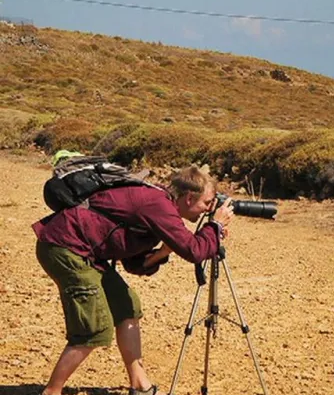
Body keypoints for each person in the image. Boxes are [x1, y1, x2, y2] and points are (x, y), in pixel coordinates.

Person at [32, 165, 234, 395]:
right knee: (93, 327)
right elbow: (195, 251)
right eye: (207, 203)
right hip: (66, 247)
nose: (209, 209)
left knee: (127, 308)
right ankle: (52, 391)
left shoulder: (159, 203)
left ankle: (139, 384)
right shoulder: (158, 205)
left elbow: (133, 264)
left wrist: (162, 252)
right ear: (189, 198)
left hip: (84, 252)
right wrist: (215, 226)